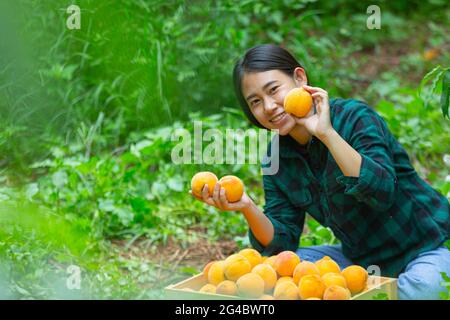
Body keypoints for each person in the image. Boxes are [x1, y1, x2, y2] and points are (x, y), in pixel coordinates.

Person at [190, 44, 450, 299]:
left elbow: (382, 192)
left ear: (299, 78)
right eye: (256, 101)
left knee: (426, 288)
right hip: (359, 261)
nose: (269, 106)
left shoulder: (354, 118)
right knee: (277, 274)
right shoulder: (275, 157)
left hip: (425, 248)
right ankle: (369, 292)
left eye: (273, 90)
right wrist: (247, 206)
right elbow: (281, 245)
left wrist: (327, 134)